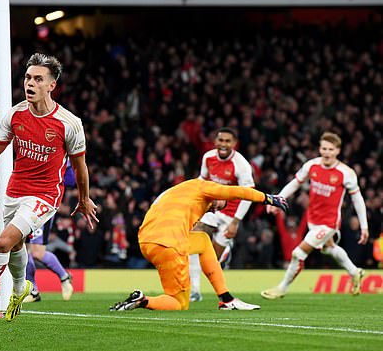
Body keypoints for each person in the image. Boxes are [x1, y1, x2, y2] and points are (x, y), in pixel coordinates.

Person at [0, 53, 97, 325]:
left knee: (2, 242)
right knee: (16, 246)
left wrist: (84, 199)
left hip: (45, 195)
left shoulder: (69, 123)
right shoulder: (15, 114)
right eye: (27, 77)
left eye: (38, 79)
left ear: (51, 85)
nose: (30, 83)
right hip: (15, 189)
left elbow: (80, 167)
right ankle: (22, 287)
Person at [110, 178, 288, 312]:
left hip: (146, 241)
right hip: (168, 243)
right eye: (220, 203)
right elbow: (237, 192)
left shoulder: (178, 190)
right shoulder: (204, 186)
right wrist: (267, 198)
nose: (216, 209)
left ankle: (226, 298)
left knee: (202, 240)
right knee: (179, 303)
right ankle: (143, 300)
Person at [261, 132, 369, 299]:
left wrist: (364, 226)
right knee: (329, 249)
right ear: (319, 148)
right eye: (324, 148)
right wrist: (277, 200)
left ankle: (282, 288)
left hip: (329, 223)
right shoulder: (311, 165)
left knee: (298, 253)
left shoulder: (346, 173)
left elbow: (358, 199)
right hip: (313, 219)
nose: (326, 152)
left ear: (337, 151)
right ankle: (355, 272)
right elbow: (295, 183)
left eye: (330, 149)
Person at [189, 127, 255, 302]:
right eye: (221, 140)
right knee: (194, 243)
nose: (223, 144)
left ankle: (226, 251)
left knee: (212, 261)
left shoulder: (241, 165)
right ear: (215, 141)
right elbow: (201, 181)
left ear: (234, 143)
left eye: (228, 141)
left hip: (230, 214)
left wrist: (235, 222)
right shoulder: (208, 157)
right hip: (211, 209)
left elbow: (248, 195)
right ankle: (194, 290)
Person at [24, 160, 76, 303]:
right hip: (25, 205)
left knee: (37, 252)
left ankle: (65, 277)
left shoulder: (54, 152)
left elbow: (71, 181)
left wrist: (67, 163)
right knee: (22, 250)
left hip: (43, 207)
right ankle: (32, 290)